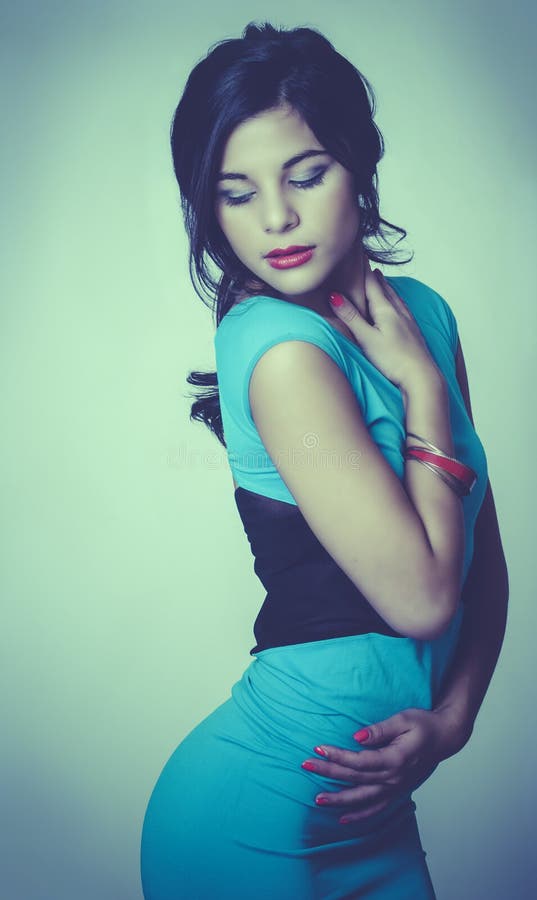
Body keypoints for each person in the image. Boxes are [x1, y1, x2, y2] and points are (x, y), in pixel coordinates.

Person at [140, 21, 508, 899]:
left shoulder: (424, 312)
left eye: (305, 175)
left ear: (359, 163)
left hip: (372, 814)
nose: (276, 219)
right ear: (207, 208)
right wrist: (418, 385)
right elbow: (421, 598)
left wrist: (451, 723)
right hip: (251, 820)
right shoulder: (277, 350)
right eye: (235, 193)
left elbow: (478, 556)